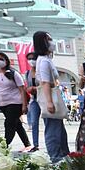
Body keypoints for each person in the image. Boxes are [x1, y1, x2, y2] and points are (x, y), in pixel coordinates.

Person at [33, 30, 69, 162]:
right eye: (48, 39)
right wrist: (49, 102)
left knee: (58, 129)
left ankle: (64, 157)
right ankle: (56, 159)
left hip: (52, 96)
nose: (51, 42)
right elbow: (45, 82)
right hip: (50, 98)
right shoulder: (43, 61)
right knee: (53, 131)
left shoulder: (45, 60)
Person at [0, 52, 31, 149]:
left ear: (6, 61)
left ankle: (5, 145)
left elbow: (22, 90)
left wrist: (24, 105)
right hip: (2, 103)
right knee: (17, 124)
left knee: (9, 123)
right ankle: (27, 144)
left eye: (1, 59)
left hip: (15, 102)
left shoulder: (13, 73)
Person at [24, 52, 40, 151]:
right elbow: (26, 87)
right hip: (34, 100)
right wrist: (28, 89)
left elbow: (51, 84)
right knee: (34, 122)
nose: (31, 60)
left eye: (33, 58)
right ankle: (36, 144)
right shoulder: (27, 73)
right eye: (29, 58)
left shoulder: (42, 71)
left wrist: (36, 88)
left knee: (48, 121)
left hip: (44, 99)